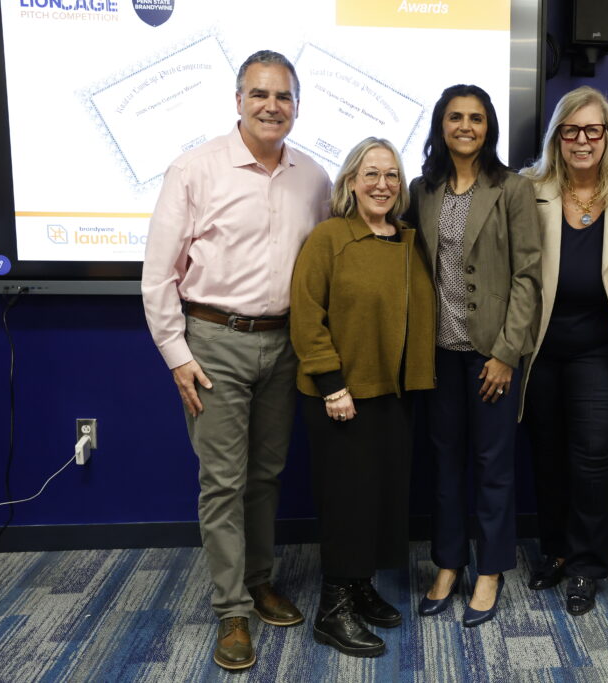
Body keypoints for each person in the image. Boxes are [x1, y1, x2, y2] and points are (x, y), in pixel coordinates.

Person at [141, 50, 332, 671]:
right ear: (239, 101)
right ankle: (231, 610)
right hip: (213, 343)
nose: (272, 106)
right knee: (222, 481)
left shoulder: (315, 178)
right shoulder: (194, 169)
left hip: (285, 345)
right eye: (260, 94)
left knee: (266, 475)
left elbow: (324, 265)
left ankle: (258, 580)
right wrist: (177, 356)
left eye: (283, 97)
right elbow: (158, 275)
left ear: (297, 105)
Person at [290, 137, 435, 657]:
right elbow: (306, 314)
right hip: (341, 396)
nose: (382, 184)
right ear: (351, 182)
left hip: (393, 393)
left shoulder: (409, 240)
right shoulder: (330, 237)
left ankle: (359, 585)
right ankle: (332, 608)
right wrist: (332, 384)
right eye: (371, 174)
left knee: (381, 500)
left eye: (391, 175)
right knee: (347, 502)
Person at [406, 84, 540, 627]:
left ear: (490, 128)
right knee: (444, 465)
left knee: (492, 466)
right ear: (441, 124)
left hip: (491, 356)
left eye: (477, 118)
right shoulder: (422, 189)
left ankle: (490, 569)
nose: (466, 126)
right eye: (456, 117)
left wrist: (507, 352)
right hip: (438, 354)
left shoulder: (512, 188)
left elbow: (528, 276)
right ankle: (448, 563)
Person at [518, 87, 608, 615]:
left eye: (593, 130)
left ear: (607, 136)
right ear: (556, 137)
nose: (582, 140)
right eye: (570, 130)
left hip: (602, 350)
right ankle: (554, 551)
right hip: (542, 350)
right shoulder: (529, 189)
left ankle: (586, 566)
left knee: (594, 459)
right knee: (548, 457)